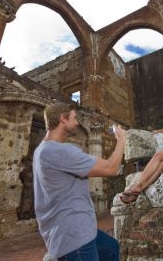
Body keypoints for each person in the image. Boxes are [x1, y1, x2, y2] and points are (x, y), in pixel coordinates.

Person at [33, 103, 126, 261]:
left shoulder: (42, 150)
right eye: (74, 118)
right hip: (73, 236)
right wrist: (121, 140)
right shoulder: (59, 151)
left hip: (82, 230)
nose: (77, 123)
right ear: (63, 118)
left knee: (111, 248)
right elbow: (110, 168)